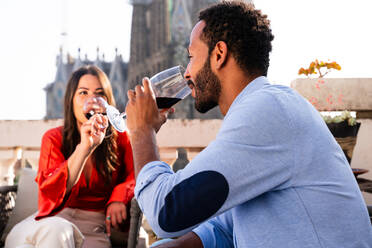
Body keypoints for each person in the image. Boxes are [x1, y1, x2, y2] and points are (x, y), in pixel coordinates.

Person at [125, 1, 372, 248]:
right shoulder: (265, 107)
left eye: (191, 57)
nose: (187, 73)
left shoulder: (267, 112)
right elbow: (225, 227)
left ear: (219, 55)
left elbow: (167, 212)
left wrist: (141, 131)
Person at [5, 65, 135, 248]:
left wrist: (119, 197)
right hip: (49, 222)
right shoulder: (54, 138)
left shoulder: (120, 139)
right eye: (83, 93)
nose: (92, 100)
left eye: (100, 94)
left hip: (93, 229)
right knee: (56, 230)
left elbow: (136, 174)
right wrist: (84, 147)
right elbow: (50, 191)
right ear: (71, 101)